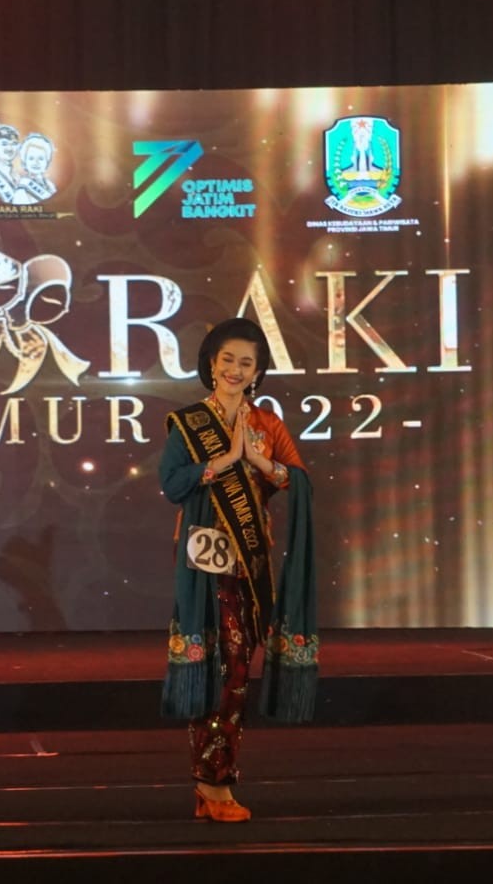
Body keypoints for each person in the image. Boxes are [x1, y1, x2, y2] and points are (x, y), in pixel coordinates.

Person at [158, 317, 319, 823]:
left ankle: (210, 783)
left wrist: (259, 460)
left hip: (250, 564)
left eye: (246, 363)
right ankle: (214, 785)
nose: (235, 369)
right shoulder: (188, 423)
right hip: (205, 567)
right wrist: (224, 460)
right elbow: (172, 483)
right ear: (211, 363)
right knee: (223, 669)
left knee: (237, 670)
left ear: (257, 372)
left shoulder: (267, 425)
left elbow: (298, 480)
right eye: (227, 359)